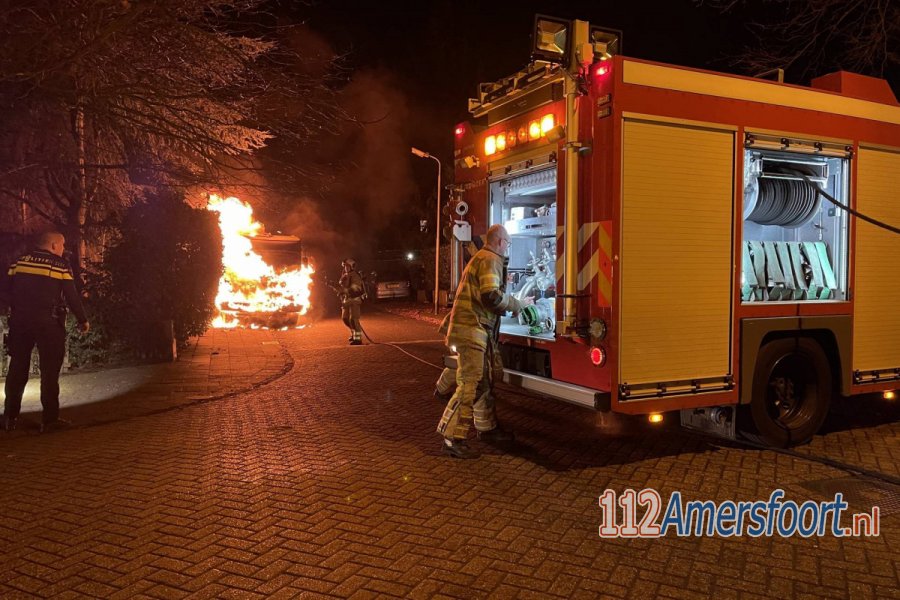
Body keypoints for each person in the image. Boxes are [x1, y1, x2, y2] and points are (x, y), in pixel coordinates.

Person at [436, 224, 532, 459]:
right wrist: (518, 304)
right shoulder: (490, 259)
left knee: (484, 382)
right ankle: (451, 438)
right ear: (500, 241)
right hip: (472, 331)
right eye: (508, 243)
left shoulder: (482, 258)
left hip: (473, 330)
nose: (508, 247)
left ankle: (487, 429)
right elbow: (490, 295)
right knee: (469, 385)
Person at [0, 231, 89, 433]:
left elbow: (4, 289)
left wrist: (14, 308)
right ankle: (49, 420)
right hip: (49, 324)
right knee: (49, 372)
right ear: (53, 245)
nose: (64, 249)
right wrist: (82, 320)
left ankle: (9, 418)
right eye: (63, 245)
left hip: (20, 323)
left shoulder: (19, 262)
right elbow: (71, 295)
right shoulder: (59, 266)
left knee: (17, 369)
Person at [338, 258, 366, 345]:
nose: (345, 268)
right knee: (345, 319)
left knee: (353, 319)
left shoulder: (355, 276)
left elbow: (356, 288)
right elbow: (342, 287)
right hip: (346, 300)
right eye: (345, 266)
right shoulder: (345, 275)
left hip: (355, 300)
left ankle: (358, 339)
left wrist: (345, 291)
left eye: (347, 266)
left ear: (351, 267)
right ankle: (354, 334)